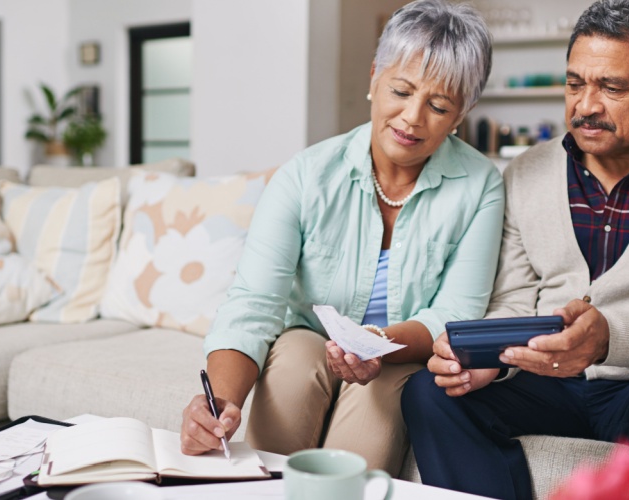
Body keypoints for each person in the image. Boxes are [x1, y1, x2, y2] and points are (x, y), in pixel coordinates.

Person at [401, 0, 629, 498]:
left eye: (612, 87)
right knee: (430, 393)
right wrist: (490, 355)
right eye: (575, 83)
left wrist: (611, 338)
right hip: (546, 381)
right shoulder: (526, 172)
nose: (585, 105)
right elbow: (513, 299)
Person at [179, 0, 503, 476]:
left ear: (463, 113)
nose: (412, 117)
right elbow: (254, 302)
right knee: (292, 366)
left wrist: (375, 343)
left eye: (438, 106)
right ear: (374, 77)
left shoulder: (480, 185)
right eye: (401, 90)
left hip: (398, 354)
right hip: (306, 342)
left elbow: (454, 313)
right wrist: (219, 403)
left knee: (363, 439)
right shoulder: (305, 175)